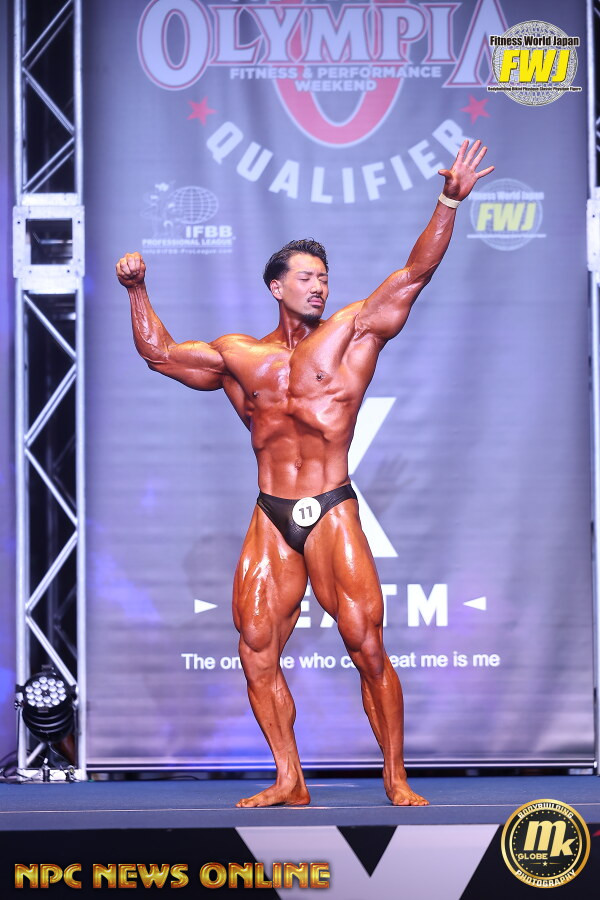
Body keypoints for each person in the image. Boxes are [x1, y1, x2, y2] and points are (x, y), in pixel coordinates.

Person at [116, 139, 493, 807]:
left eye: (324, 277)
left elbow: (414, 274)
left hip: (330, 505)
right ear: (277, 286)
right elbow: (159, 355)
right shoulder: (239, 355)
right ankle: (289, 777)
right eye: (307, 277)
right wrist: (136, 289)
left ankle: (395, 776)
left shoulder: (352, 332)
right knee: (255, 647)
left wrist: (448, 201)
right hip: (272, 511)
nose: (320, 286)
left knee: (366, 645)